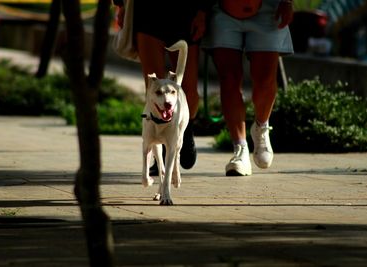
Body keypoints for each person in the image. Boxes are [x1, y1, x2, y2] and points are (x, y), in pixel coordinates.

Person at [113, 0, 214, 170]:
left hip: (186, 11)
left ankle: (186, 130)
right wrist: (120, 4)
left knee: (188, 90)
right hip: (149, 10)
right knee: (154, 88)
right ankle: (161, 154)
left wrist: (203, 11)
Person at [202, 0, 294, 176]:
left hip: (269, 8)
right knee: (228, 78)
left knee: (265, 80)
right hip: (222, 10)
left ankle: (261, 126)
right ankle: (240, 148)